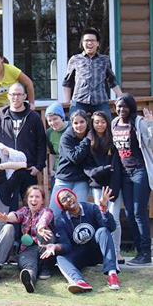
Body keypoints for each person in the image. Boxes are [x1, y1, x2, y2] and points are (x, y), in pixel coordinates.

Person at [41, 187, 120, 293]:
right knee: (60, 257)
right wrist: (55, 246)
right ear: (63, 206)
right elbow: (66, 245)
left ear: (75, 195)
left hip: (97, 252)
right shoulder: (61, 221)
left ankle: (112, 275)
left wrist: (104, 209)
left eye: (69, 196)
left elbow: (110, 227)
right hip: (80, 255)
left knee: (103, 231)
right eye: (64, 200)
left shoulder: (92, 208)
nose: (68, 200)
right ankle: (79, 281)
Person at [0, 83, 47, 210]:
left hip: (28, 170)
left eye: (19, 94)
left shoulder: (34, 118)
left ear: (25, 96)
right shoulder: (0, 119)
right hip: (8, 171)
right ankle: (14, 231)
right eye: (12, 94)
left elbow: (41, 144)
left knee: (31, 208)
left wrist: (38, 167)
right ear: (8, 96)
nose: (15, 98)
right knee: (10, 209)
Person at [112, 94, 153, 265]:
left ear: (131, 107)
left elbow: (150, 143)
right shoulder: (114, 123)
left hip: (139, 172)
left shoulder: (138, 123)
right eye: (119, 106)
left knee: (139, 213)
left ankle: (145, 252)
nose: (121, 110)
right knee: (129, 214)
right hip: (124, 174)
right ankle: (139, 251)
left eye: (125, 106)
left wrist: (150, 123)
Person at [0, 186, 55, 293]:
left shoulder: (47, 211)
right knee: (28, 265)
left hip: (43, 247)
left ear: (42, 200)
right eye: (31, 197)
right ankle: (29, 278)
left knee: (44, 234)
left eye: (37, 197)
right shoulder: (25, 211)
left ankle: (45, 268)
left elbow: (45, 219)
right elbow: (15, 215)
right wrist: (6, 218)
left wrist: (41, 228)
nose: (34, 200)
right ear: (27, 199)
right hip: (28, 248)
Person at [84, 110, 124, 263]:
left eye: (102, 121)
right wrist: (98, 173)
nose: (99, 124)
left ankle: (116, 251)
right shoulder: (89, 140)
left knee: (114, 217)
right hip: (97, 185)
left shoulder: (113, 141)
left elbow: (116, 167)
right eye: (96, 122)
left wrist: (114, 187)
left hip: (113, 184)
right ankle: (104, 251)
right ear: (92, 124)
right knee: (101, 217)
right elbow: (87, 166)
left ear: (107, 122)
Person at [63, 27, 122, 116]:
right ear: (82, 43)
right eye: (86, 40)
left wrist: (121, 97)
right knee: (74, 126)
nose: (89, 43)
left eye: (92, 40)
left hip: (100, 102)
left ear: (97, 43)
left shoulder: (105, 60)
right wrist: (67, 102)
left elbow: (112, 80)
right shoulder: (75, 59)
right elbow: (67, 81)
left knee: (106, 125)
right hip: (79, 101)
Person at [50, 110, 91, 217]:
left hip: (81, 180)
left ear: (87, 122)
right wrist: (86, 141)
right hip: (64, 179)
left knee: (78, 213)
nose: (79, 125)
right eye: (76, 123)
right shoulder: (66, 137)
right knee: (54, 215)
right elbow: (75, 158)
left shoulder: (92, 134)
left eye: (82, 122)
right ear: (72, 124)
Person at [0, 46, 35, 110]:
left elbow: (29, 83)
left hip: (15, 104)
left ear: (2, 59)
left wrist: (31, 104)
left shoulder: (11, 70)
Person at [45, 103, 69, 186]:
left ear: (62, 117)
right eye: (49, 120)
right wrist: (51, 169)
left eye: (55, 119)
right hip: (58, 170)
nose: (52, 122)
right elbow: (52, 152)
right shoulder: (49, 133)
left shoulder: (72, 127)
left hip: (72, 169)